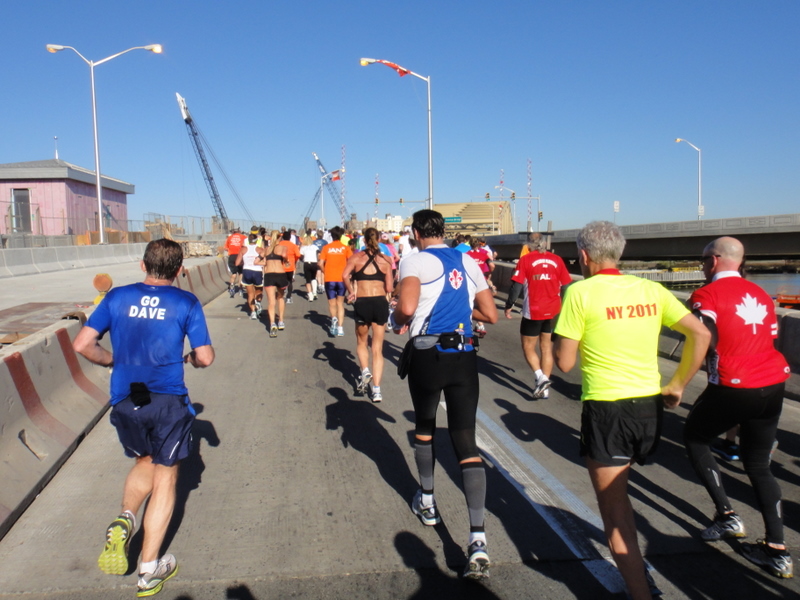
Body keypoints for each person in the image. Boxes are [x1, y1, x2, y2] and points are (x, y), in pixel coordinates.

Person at [553, 221, 710, 600]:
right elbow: (701, 333)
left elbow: (566, 364)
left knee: (616, 512)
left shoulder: (579, 292)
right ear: (619, 254)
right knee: (625, 497)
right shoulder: (651, 290)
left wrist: (562, 338)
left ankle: (640, 592)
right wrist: (677, 385)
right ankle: (637, 569)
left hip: (608, 409)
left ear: (584, 255)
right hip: (649, 407)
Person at [73, 239, 214, 598]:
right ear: (180, 270)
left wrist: (111, 361)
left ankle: (127, 518)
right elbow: (206, 357)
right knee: (166, 477)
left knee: (144, 460)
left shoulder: (117, 297)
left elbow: (82, 344)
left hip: (125, 397)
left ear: (142, 265)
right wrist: (192, 361)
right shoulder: (185, 302)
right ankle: (149, 570)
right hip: (167, 399)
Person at [391, 210, 498, 580]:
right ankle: (478, 538)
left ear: (417, 232)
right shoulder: (468, 260)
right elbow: (491, 314)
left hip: (427, 355)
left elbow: (406, 309)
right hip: (464, 356)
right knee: (465, 441)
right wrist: (463, 317)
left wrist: (398, 315)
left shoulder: (414, 260)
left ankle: (428, 501)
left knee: (424, 426)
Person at [684, 236, 793, 578]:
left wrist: (681, 382)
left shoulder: (706, 295)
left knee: (695, 437)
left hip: (734, 383)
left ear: (714, 261)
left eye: (703, 260)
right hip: (774, 382)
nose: (702, 266)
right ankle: (777, 549)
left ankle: (727, 516)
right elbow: (768, 337)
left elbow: (704, 337)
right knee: (759, 464)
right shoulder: (759, 293)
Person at [504, 232, 572, 399]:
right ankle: (545, 389)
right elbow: (566, 286)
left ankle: (540, 377)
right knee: (546, 347)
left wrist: (509, 305)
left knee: (528, 347)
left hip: (533, 310)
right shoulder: (557, 260)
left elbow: (516, 286)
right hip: (554, 310)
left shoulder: (525, 260)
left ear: (529, 245)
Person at [342, 227, 394, 402]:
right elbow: (389, 288)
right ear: (379, 239)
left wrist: (351, 291)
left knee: (361, 342)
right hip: (380, 302)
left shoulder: (356, 258)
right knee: (378, 349)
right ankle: (377, 390)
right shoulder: (386, 260)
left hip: (363, 302)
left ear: (363, 240)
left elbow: (344, 275)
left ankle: (365, 371)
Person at [318, 226, 353, 337]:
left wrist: (325, 271)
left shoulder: (326, 247)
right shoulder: (345, 248)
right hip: (342, 279)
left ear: (331, 236)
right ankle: (340, 327)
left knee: (332, 303)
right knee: (340, 304)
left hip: (330, 278)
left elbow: (320, 263)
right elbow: (351, 262)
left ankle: (333, 319)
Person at [466, 238, 495, 337]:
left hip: (470, 281)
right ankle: (480, 325)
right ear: (478, 245)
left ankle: (474, 324)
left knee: (471, 303)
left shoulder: (466, 255)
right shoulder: (484, 254)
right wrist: (488, 273)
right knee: (479, 304)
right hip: (481, 279)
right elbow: (492, 265)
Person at [263, 230, 290, 337]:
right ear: (280, 237)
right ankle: (281, 321)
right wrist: (286, 260)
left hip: (269, 275)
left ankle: (272, 323)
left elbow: (263, 260)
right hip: (280, 274)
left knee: (271, 302)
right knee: (280, 298)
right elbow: (284, 255)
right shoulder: (283, 247)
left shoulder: (267, 249)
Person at [236, 232, 265, 321]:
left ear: (248, 241)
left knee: (250, 294)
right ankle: (258, 303)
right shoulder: (260, 250)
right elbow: (265, 263)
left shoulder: (243, 249)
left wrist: (244, 262)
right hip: (257, 272)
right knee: (259, 292)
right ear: (257, 241)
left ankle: (253, 313)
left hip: (247, 271)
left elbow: (237, 263)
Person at [278, 230, 301, 304]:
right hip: (290, 265)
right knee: (289, 281)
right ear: (290, 237)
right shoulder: (293, 245)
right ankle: (289, 296)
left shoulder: (279, 244)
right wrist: (294, 260)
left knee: (281, 281)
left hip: (280, 265)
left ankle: (281, 294)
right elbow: (298, 255)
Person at [223, 227, 247, 297]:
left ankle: (232, 287)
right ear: (239, 231)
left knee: (234, 273)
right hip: (240, 256)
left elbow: (225, 248)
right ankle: (240, 289)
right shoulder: (244, 237)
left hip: (232, 256)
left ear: (233, 231)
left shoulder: (229, 238)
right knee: (241, 273)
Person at [299, 230, 320, 301]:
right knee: (313, 278)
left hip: (307, 263)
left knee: (308, 280)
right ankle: (314, 292)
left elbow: (301, 257)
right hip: (314, 263)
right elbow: (318, 254)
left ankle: (310, 295)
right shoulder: (315, 247)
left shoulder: (303, 248)